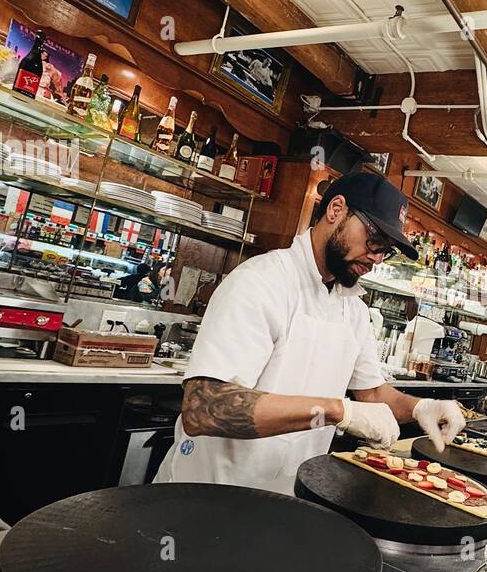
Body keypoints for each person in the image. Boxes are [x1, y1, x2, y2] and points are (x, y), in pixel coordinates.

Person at [154, 172, 466, 493]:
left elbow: (371, 393)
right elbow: (203, 409)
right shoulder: (261, 281)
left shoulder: (354, 308)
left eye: (386, 250)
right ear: (336, 210)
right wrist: (337, 410)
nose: (376, 257)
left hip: (288, 497)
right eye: (374, 240)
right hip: (205, 494)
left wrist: (420, 407)